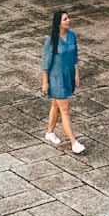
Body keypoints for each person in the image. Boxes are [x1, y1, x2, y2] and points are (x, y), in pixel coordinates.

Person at [41, 8, 86, 153]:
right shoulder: (51, 40)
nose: (68, 21)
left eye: (68, 18)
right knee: (65, 110)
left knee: (56, 105)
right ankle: (74, 142)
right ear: (58, 23)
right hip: (56, 79)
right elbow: (46, 64)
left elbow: (75, 57)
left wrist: (77, 74)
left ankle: (49, 132)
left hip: (68, 75)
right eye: (65, 19)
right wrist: (45, 82)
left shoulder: (72, 36)